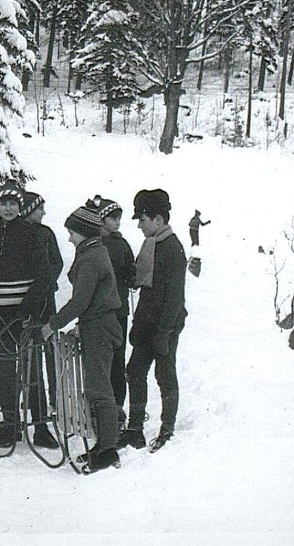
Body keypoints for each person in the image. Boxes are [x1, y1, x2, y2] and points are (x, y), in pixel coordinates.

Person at [41, 204, 123, 473]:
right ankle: (103, 445)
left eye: (72, 233)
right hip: (98, 325)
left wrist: (52, 325)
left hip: (100, 327)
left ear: (84, 233)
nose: (69, 238)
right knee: (98, 387)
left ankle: (108, 450)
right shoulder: (94, 251)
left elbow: (80, 301)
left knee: (99, 389)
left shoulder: (91, 257)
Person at [0, 181, 57, 449]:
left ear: (20, 206)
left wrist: (29, 310)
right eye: (3, 203)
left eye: (13, 203)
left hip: (25, 313)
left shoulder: (32, 234)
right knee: (3, 366)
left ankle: (40, 427)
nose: (8, 208)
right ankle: (10, 426)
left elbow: (45, 274)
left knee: (32, 367)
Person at [119, 189, 188, 453]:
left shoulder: (172, 248)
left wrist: (164, 332)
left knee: (164, 375)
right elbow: (143, 285)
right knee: (135, 371)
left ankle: (167, 430)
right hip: (147, 323)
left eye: (143, 219)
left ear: (158, 220)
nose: (138, 225)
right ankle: (135, 429)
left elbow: (174, 297)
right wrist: (139, 324)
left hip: (165, 326)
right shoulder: (150, 244)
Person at [87, 195, 136, 429]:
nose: (117, 223)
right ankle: (98, 406)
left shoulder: (121, 244)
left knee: (118, 358)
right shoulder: (91, 243)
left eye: (119, 219)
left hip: (119, 311)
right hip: (96, 312)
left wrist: (130, 279)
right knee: (99, 361)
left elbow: (131, 271)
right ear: (101, 219)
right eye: (112, 218)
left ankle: (117, 406)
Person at [21, 191, 63, 418]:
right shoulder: (18, 233)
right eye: (39, 209)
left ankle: (56, 397)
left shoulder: (46, 233)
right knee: (29, 350)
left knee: (48, 347)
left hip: (46, 300)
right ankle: (32, 399)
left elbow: (57, 262)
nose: (43, 213)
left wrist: (45, 283)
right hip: (24, 300)